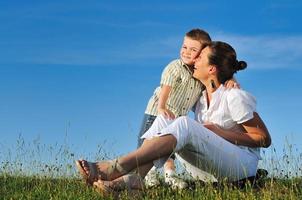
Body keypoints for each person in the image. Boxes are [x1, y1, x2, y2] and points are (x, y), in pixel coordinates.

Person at [76, 41, 271, 195]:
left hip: (241, 167)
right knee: (166, 118)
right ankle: (135, 180)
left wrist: (221, 133)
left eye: (200, 56)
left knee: (184, 123)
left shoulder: (234, 96)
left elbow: (263, 139)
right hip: (209, 171)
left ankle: (116, 166)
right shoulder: (200, 98)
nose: (194, 60)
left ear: (212, 68)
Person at [137, 28, 211, 189]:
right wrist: (162, 107)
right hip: (156, 112)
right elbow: (166, 88)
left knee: (168, 147)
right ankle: (148, 175)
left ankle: (170, 175)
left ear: (202, 54)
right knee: (148, 143)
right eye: (184, 47)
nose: (186, 52)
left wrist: (231, 79)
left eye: (193, 50)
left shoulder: (199, 75)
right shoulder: (175, 67)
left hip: (176, 117)